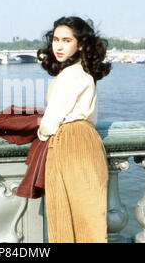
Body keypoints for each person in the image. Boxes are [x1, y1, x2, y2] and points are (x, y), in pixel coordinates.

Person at [37, 16, 111, 243]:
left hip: (69, 142)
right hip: (88, 139)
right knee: (89, 216)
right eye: (56, 40)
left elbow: (50, 122)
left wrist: (41, 132)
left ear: (80, 44)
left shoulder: (70, 74)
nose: (58, 46)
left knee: (65, 214)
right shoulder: (86, 73)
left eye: (66, 40)